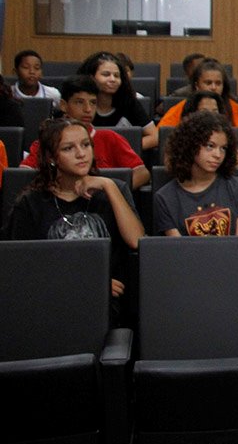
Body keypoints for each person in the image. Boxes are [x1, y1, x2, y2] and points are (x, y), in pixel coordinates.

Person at [6, 117, 144, 325]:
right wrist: (90, 282)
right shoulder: (30, 204)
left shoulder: (113, 190)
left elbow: (136, 241)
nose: (81, 154)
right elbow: (22, 269)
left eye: (86, 145)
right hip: (51, 302)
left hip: (108, 305)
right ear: (51, 157)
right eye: (68, 148)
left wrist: (109, 186)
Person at [22, 76, 150, 190]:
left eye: (93, 103)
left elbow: (142, 173)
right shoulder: (49, 140)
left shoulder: (110, 137)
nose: (88, 109)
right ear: (63, 105)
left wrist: (110, 192)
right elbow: (23, 174)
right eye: (79, 102)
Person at [154, 111, 238, 236]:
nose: (218, 155)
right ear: (190, 145)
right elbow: (179, 247)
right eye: (210, 146)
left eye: (223, 148)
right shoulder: (166, 197)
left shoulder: (237, 187)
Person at [78, 51, 158, 150]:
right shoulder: (81, 105)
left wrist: (121, 149)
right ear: (91, 77)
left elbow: (155, 136)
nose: (113, 79)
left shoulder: (129, 102)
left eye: (116, 76)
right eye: (106, 74)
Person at [158, 59, 238, 127]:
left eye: (218, 83)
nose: (213, 87)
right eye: (208, 83)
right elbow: (162, 134)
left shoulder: (235, 108)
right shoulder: (182, 107)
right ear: (197, 85)